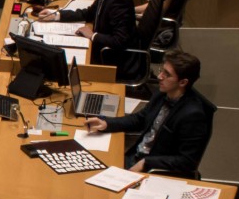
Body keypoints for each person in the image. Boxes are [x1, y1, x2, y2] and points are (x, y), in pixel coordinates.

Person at [84, 51, 212, 175]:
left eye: (167, 74)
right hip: (136, 156)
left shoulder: (193, 115)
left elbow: (187, 161)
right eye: (161, 70)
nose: (159, 76)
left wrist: (147, 162)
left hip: (152, 169)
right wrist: (106, 123)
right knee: (90, 163)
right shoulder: (162, 94)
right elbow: (140, 119)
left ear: (183, 82)